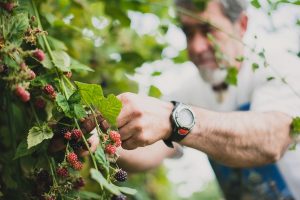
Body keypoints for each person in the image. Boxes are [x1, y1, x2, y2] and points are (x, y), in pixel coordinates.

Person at [86, 0, 300, 199]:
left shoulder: (280, 68)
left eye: (208, 30)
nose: (196, 47)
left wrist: (174, 119)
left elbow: (272, 140)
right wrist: (101, 141)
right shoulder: (190, 92)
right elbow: (153, 147)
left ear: (242, 24)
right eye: (188, 33)